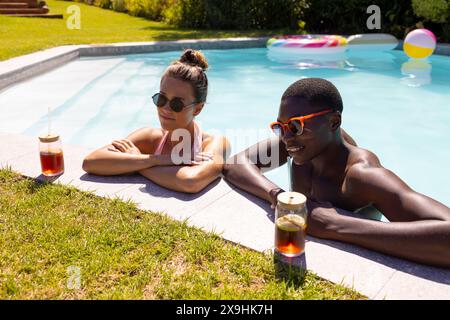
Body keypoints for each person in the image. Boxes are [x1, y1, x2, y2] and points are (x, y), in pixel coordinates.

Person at [223, 77, 450, 268]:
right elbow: (235, 164)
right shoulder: (300, 146)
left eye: (295, 125)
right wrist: (278, 196)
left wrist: (336, 225)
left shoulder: (360, 176)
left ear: (333, 122)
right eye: (280, 127)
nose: (285, 137)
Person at [83, 49, 229, 193]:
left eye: (176, 104)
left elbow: (190, 182)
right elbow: (91, 162)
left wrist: (138, 161)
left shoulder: (214, 143)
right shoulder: (150, 137)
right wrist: (160, 160)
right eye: (161, 99)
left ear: (197, 109)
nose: (165, 108)